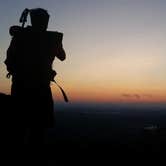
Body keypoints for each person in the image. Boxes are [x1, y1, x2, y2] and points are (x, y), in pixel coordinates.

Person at [4, 8, 66, 143]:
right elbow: (62, 56)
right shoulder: (52, 39)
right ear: (46, 22)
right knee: (38, 129)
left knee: (19, 127)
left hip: (20, 87)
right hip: (41, 88)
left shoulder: (20, 36)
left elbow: (9, 61)